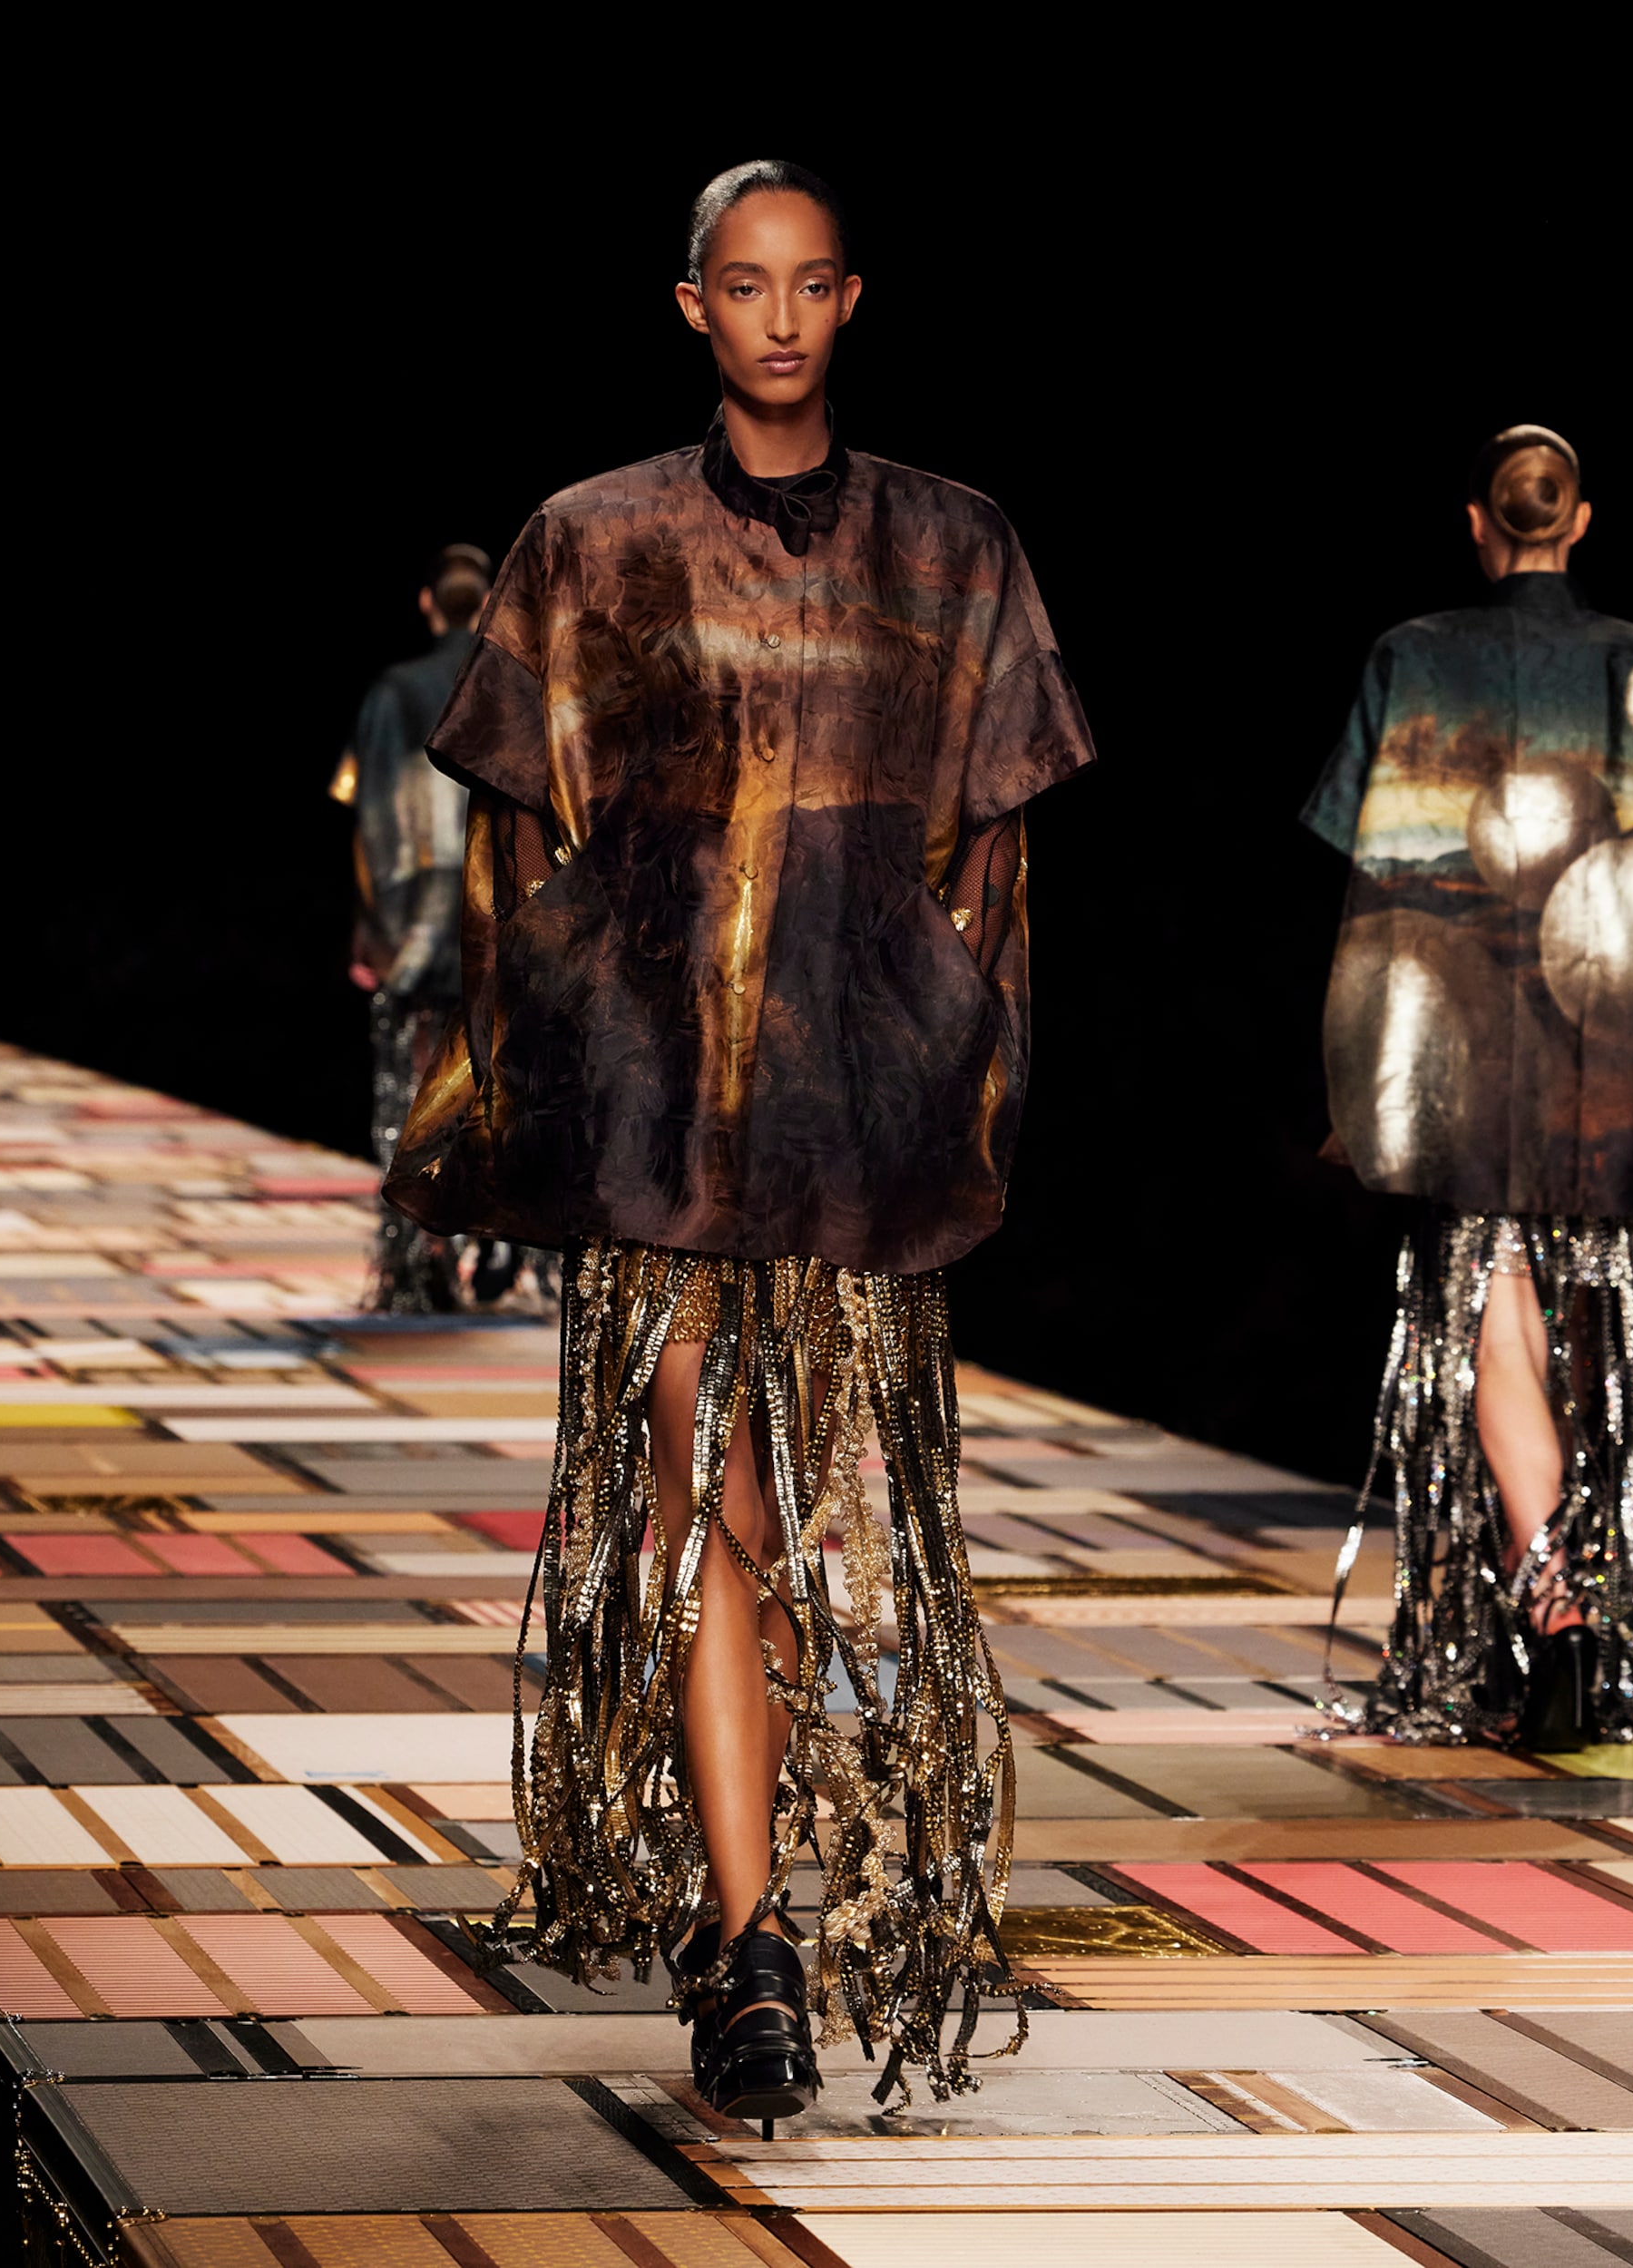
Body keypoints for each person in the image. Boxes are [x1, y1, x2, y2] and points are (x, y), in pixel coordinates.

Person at [386, 159, 1093, 2116]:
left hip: (857, 1119)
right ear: (693, 303)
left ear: (851, 299)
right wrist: (556, 1053)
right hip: (665, 1117)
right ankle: (752, 1931)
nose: (779, 317)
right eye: (744, 284)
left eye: (811, 283)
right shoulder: (593, 537)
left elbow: (999, 847)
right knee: (711, 1495)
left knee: (836, 1521)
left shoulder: (953, 543)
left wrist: (950, 1041)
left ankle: (751, 1908)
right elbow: (513, 829)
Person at [1305, 425, 1633, 1752]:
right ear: (1578, 519)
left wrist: (1366, 1071)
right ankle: (1603, 1613)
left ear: (1476, 522)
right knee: (1609, 1332)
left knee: (1497, 1317)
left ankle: (1554, 1605)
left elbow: (1377, 876)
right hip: (1619, 1049)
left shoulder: (1414, 656)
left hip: (1467, 1045)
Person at [332, 543, 491, 1308]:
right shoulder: (512, 685)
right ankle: (488, 1245)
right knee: (497, 1079)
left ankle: (425, 1250)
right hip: (498, 916)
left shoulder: (395, 691)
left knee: (419, 1076)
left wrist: (372, 928)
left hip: (417, 921)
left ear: (427, 604)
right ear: (487, 606)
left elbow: (368, 814)